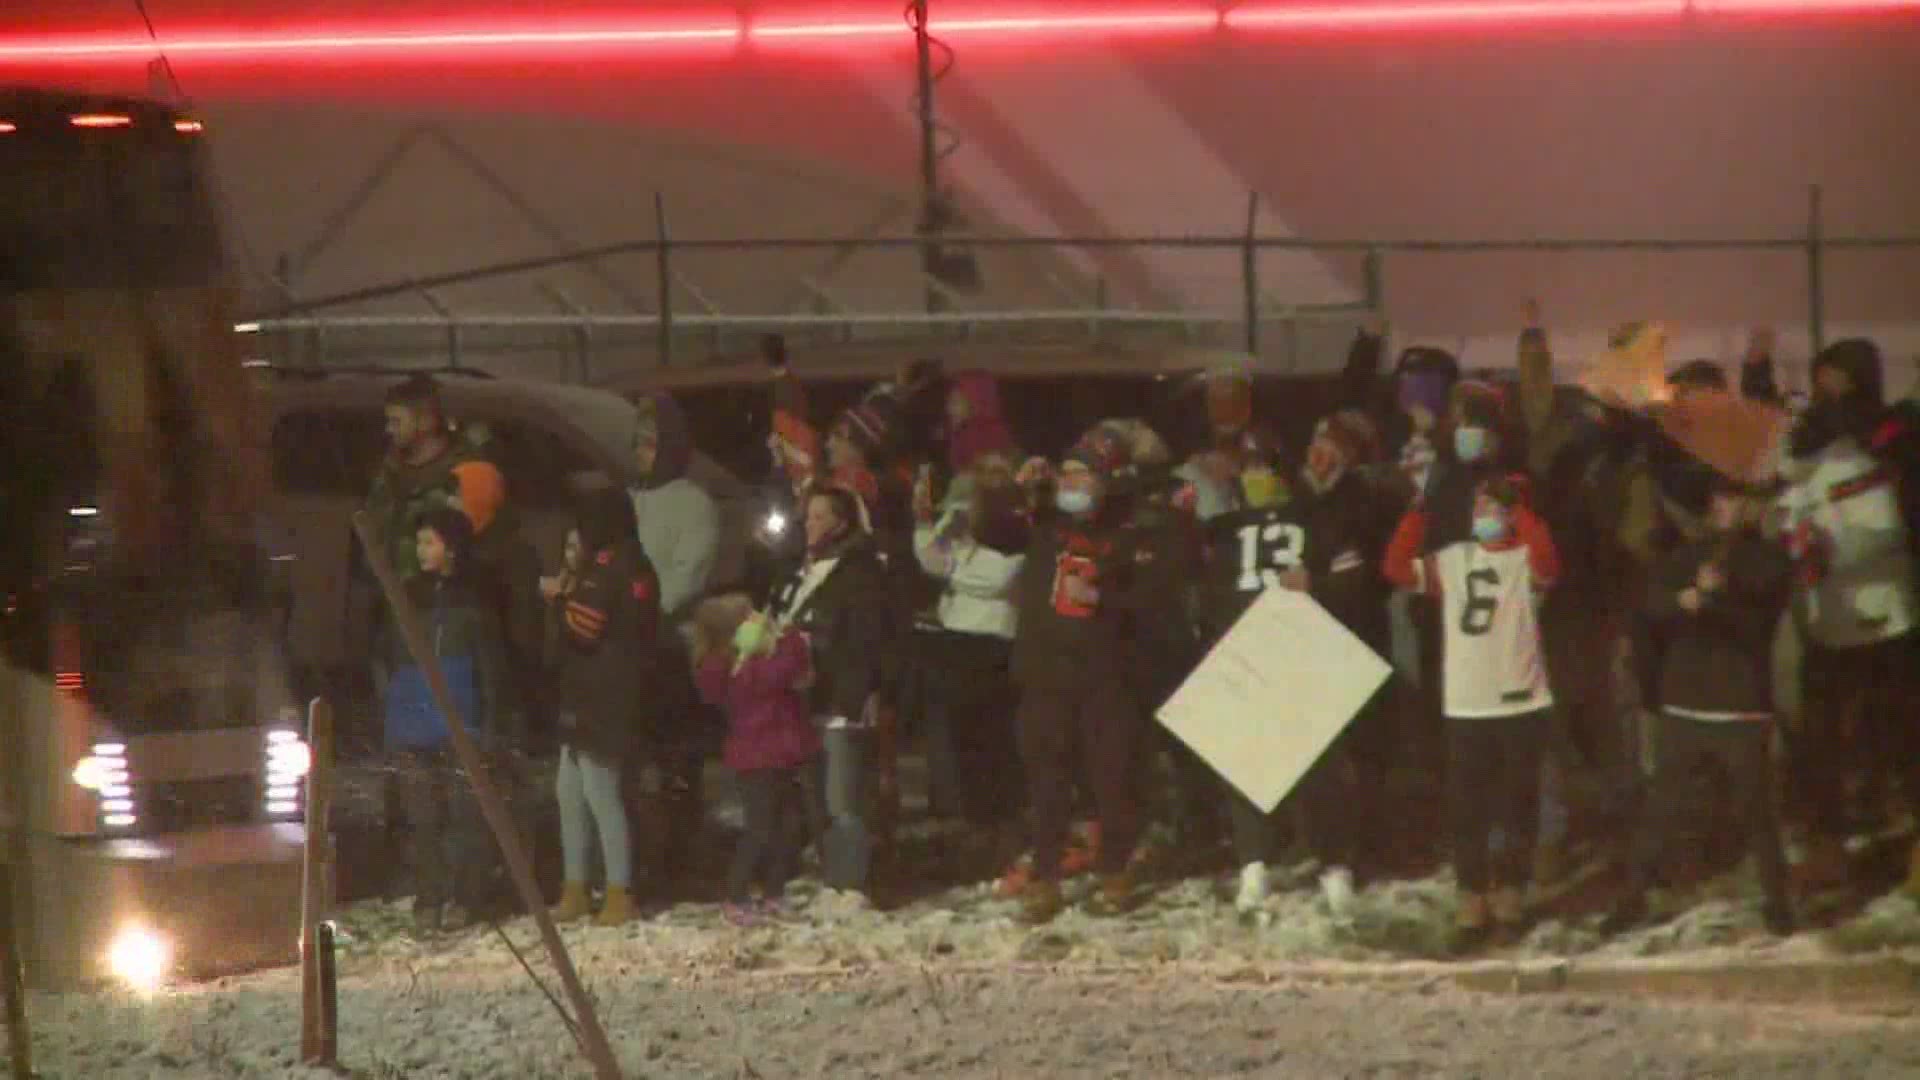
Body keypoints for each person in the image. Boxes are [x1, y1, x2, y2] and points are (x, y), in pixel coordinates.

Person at [1606, 474, 1796, 936]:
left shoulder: (1767, 560)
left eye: (1740, 500)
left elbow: (1758, 619)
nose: (1730, 509)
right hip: (1685, 704)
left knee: (1757, 811)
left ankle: (1778, 903)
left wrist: (1716, 598)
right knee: (1660, 810)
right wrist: (1684, 599)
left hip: (1741, 706)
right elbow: (1651, 606)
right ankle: (1632, 899)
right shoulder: (1686, 557)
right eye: (1724, 500)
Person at [1384, 473, 1560, 942]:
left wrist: (1517, 505)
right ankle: (1471, 901)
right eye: (1479, 507)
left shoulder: (1526, 559)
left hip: (1520, 700)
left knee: (1517, 805)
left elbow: (1547, 559)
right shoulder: (1455, 558)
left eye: (1494, 508)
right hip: (1467, 704)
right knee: (1467, 809)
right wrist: (1419, 513)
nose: (1484, 516)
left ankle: (1511, 896)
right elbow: (1396, 568)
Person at [1780, 338, 1920, 887]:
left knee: (1903, 736)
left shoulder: (1887, 447)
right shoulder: (1806, 454)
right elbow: (1788, 513)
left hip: (1887, 621)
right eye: (1821, 380)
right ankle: (1826, 845)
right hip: (1825, 624)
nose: (1826, 392)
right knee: (1817, 745)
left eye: (1836, 379)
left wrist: (1832, 549)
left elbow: (1890, 527)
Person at [1009, 428, 1148, 923]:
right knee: (1046, 783)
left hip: (1103, 677)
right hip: (1045, 674)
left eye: (1081, 475)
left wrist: (1104, 600)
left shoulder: (1131, 532)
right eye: (1065, 474)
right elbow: (991, 531)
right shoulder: (1043, 522)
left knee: (1111, 780)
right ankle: (1045, 876)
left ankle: (1114, 869)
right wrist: (1017, 487)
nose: (1070, 484)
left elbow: (1152, 602)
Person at [379, 508, 509, 934]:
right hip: (412, 718)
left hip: (459, 717)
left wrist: (490, 724)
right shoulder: (407, 596)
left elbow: (491, 668)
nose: (421, 550)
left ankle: (464, 897)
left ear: (452, 547)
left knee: (463, 813)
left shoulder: (473, 599)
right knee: (422, 816)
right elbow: (385, 654)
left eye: (430, 542)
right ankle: (429, 896)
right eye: (418, 542)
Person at [765, 483, 893, 897]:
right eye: (808, 516)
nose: (810, 524)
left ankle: (851, 885)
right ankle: (831, 877)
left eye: (820, 516)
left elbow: (865, 639)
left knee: (843, 799)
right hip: (803, 698)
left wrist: (863, 692)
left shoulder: (859, 572)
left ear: (841, 522)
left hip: (840, 696)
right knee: (814, 797)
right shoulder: (798, 571)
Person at [544, 488, 663, 927]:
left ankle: (618, 891)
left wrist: (559, 600)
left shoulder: (606, 568)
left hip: (598, 694)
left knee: (598, 793)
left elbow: (583, 629)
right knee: (570, 791)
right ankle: (576, 887)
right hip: (604, 692)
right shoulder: (641, 565)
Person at [693, 598, 821, 924]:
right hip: (757, 760)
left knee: (787, 827)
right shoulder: (740, 671)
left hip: (779, 755)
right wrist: (789, 636)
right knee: (761, 827)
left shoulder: (750, 663)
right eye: (750, 616)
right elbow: (784, 668)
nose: (762, 619)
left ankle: (774, 892)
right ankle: (736, 894)